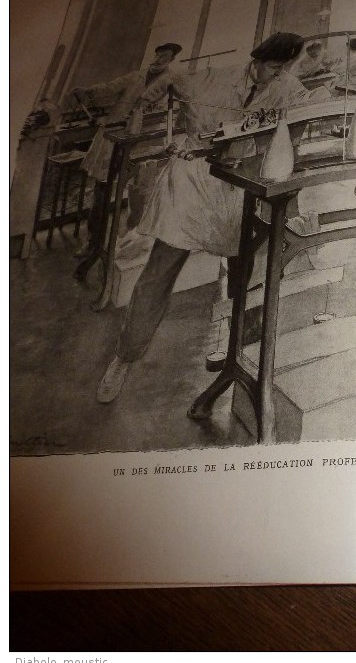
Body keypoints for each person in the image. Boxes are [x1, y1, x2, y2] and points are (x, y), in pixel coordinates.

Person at [96, 32, 311, 404]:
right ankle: (123, 357)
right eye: (273, 69)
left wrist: (269, 154)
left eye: (283, 71)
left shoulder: (289, 87)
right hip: (194, 181)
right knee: (159, 272)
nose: (276, 77)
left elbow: (300, 124)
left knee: (244, 275)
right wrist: (144, 113)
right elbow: (163, 82)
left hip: (240, 183)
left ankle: (237, 353)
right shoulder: (213, 76)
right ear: (256, 60)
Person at [71, 42, 182, 259]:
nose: (160, 59)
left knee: (140, 193)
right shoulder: (136, 76)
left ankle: (133, 243)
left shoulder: (172, 82)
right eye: (159, 55)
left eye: (165, 56)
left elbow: (173, 112)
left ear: (171, 59)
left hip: (144, 143)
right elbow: (110, 88)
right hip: (114, 138)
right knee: (101, 191)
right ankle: (93, 243)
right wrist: (87, 92)